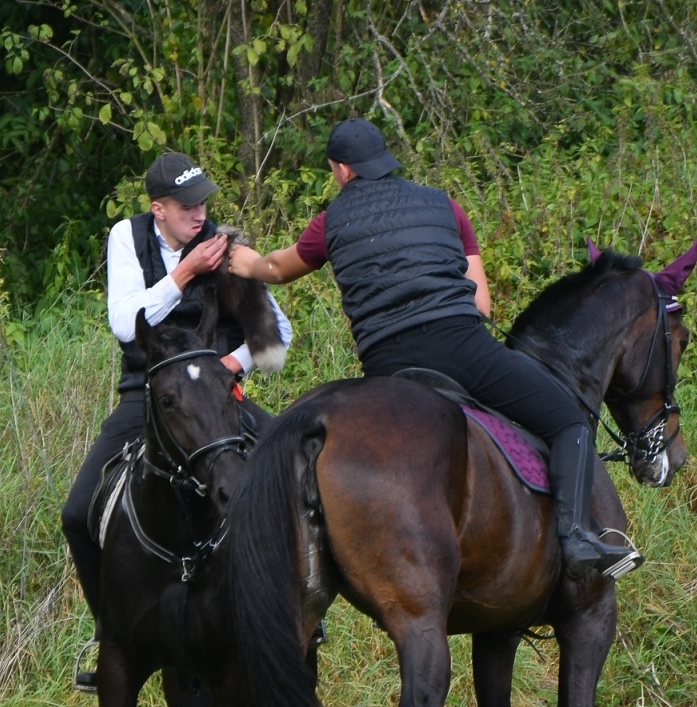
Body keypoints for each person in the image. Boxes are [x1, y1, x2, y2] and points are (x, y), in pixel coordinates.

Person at [230, 118, 637, 580]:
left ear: (341, 170)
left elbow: (277, 269)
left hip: (387, 363)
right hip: (462, 349)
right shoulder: (445, 206)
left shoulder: (329, 223)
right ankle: (578, 539)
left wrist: (241, 259)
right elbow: (480, 303)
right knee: (566, 419)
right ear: (383, 160)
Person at [61, 152, 293, 691]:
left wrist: (229, 366)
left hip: (217, 401)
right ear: (157, 209)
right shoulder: (128, 237)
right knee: (76, 513)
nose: (200, 212)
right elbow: (125, 324)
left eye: (204, 201)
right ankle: (109, 633)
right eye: (187, 205)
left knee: (294, 476)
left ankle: (298, 612)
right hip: (149, 399)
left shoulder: (225, 245)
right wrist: (185, 273)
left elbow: (277, 338)